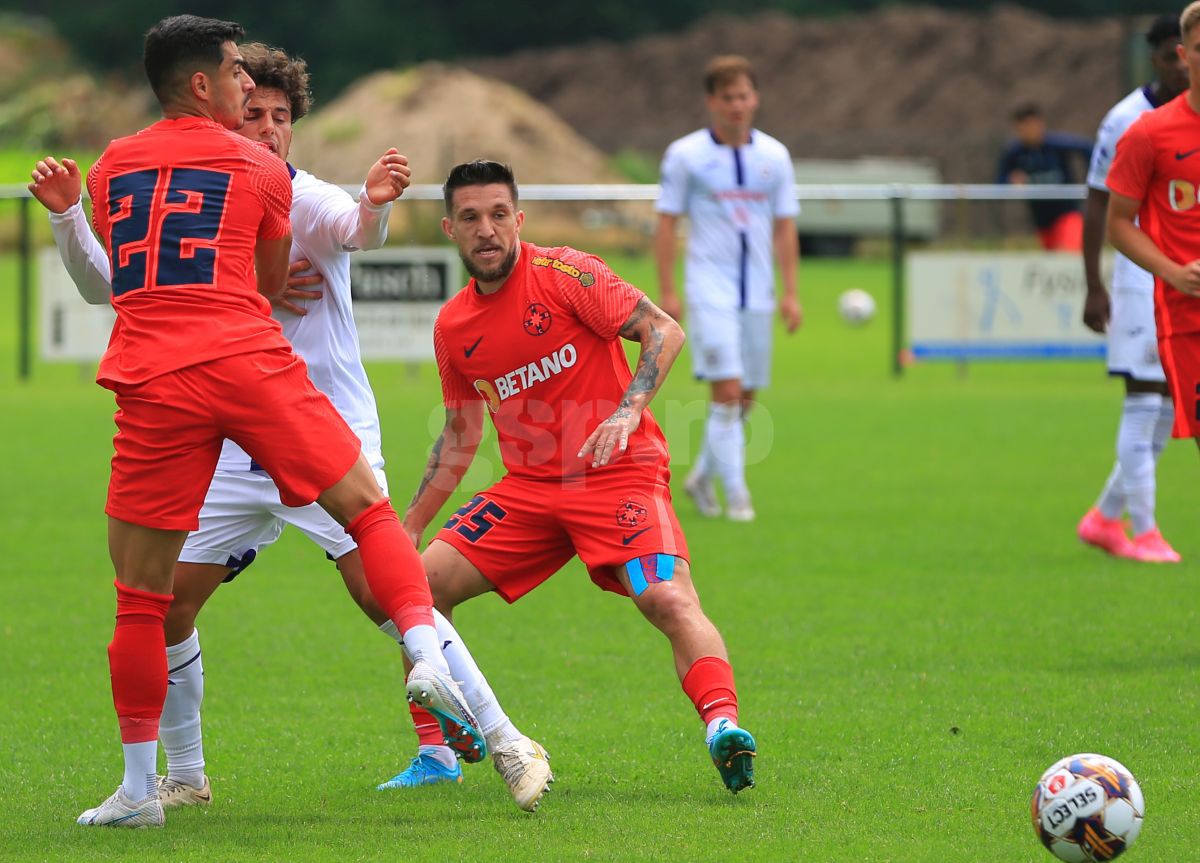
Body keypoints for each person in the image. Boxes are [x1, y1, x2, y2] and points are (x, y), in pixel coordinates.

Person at [29, 42, 552, 813]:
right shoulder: (202, 180)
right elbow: (128, 283)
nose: (266, 124)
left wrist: (371, 206)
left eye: (280, 116)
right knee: (169, 603)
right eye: (254, 108)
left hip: (315, 417)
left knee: (379, 593)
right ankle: (183, 775)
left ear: (293, 129)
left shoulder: (290, 189)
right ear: (223, 102)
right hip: (226, 442)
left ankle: (507, 740)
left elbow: (348, 230)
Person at [400, 159, 757, 796]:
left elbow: (662, 331)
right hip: (529, 493)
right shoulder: (452, 327)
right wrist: (407, 528)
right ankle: (438, 753)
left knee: (667, 599)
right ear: (450, 228)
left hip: (619, 476)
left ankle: (722, 727)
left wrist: (628, 411)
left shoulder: (565, 272)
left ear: (519, 219)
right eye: (472, 218)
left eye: (500, 215)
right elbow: (460, 436)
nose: (488, 230)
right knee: (414, 591)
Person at [654, 54, 801, 523]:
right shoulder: (685, 155)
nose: (737, 105)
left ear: (755, 98)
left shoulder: (774, 156)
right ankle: (739, 497)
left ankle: (700, 477)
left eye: (744, 95)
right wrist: (669, 291)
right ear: (711, 101)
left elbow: (784, 227)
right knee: (728, 391)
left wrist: (790, 292)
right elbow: (666, 223)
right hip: (708, 289)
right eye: (728, 97)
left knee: (748, 396)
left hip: (757, 292)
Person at [1077, 14, 1187, 563]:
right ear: (1162, 58)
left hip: (1183, 286)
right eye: (1172, 54)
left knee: (1168, 407)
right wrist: (1093, 285)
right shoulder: (1128, 120)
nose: (1180, 64)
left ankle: (1104, 517)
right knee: (1144, 402)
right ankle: (1144, 531)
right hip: (1141, 280)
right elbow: (1100, 204)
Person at [1107, 2, 1200, 483]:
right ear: (1185, 55)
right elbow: (1118, 222)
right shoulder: (1149, 133)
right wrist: (1171, 270)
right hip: (1190, 320)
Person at [997, 103, 1093, 251]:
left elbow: (1088, 149)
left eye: (1033, 124)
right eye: (1025, 126)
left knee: (1068, 254)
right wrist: (1011, 180)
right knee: (1053, 266)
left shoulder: (1057, 145)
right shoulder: (1014, 153)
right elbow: (999, 182)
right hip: (1041, 220)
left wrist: (1092, 180)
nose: (1030, 130)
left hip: (1067, 213)